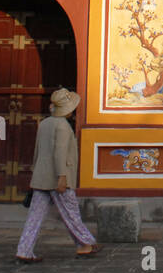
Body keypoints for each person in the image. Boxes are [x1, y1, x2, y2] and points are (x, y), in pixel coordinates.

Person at [15, 87, 100, 263]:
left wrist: (35, 173)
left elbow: (37, 152)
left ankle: (24, 250)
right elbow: (59, 153)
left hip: (41, 177)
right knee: (71, 212)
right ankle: (86, 242)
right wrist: (62, 176)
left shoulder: (45, 123)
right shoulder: (62, 127)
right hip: (59, 177)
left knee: (35, 217)